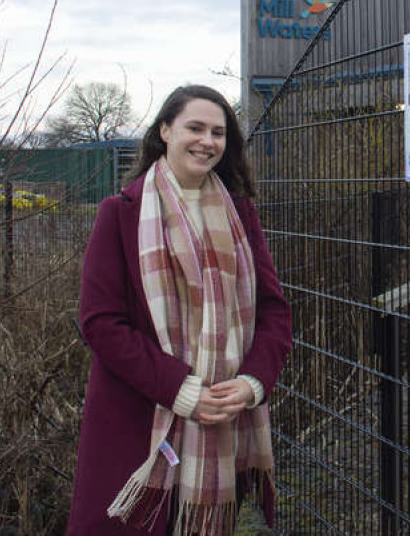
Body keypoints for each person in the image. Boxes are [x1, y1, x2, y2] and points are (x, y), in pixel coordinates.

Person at [67, 85, 292, 535]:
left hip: (222, 419)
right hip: (138, 421)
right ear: (165, 131)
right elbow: (100, 322)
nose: (207, 141)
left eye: (218, 132)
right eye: (195, 127)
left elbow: (274, 311)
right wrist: (179, 389)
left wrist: (251, 383)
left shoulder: (241, 216)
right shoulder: (119, 214)